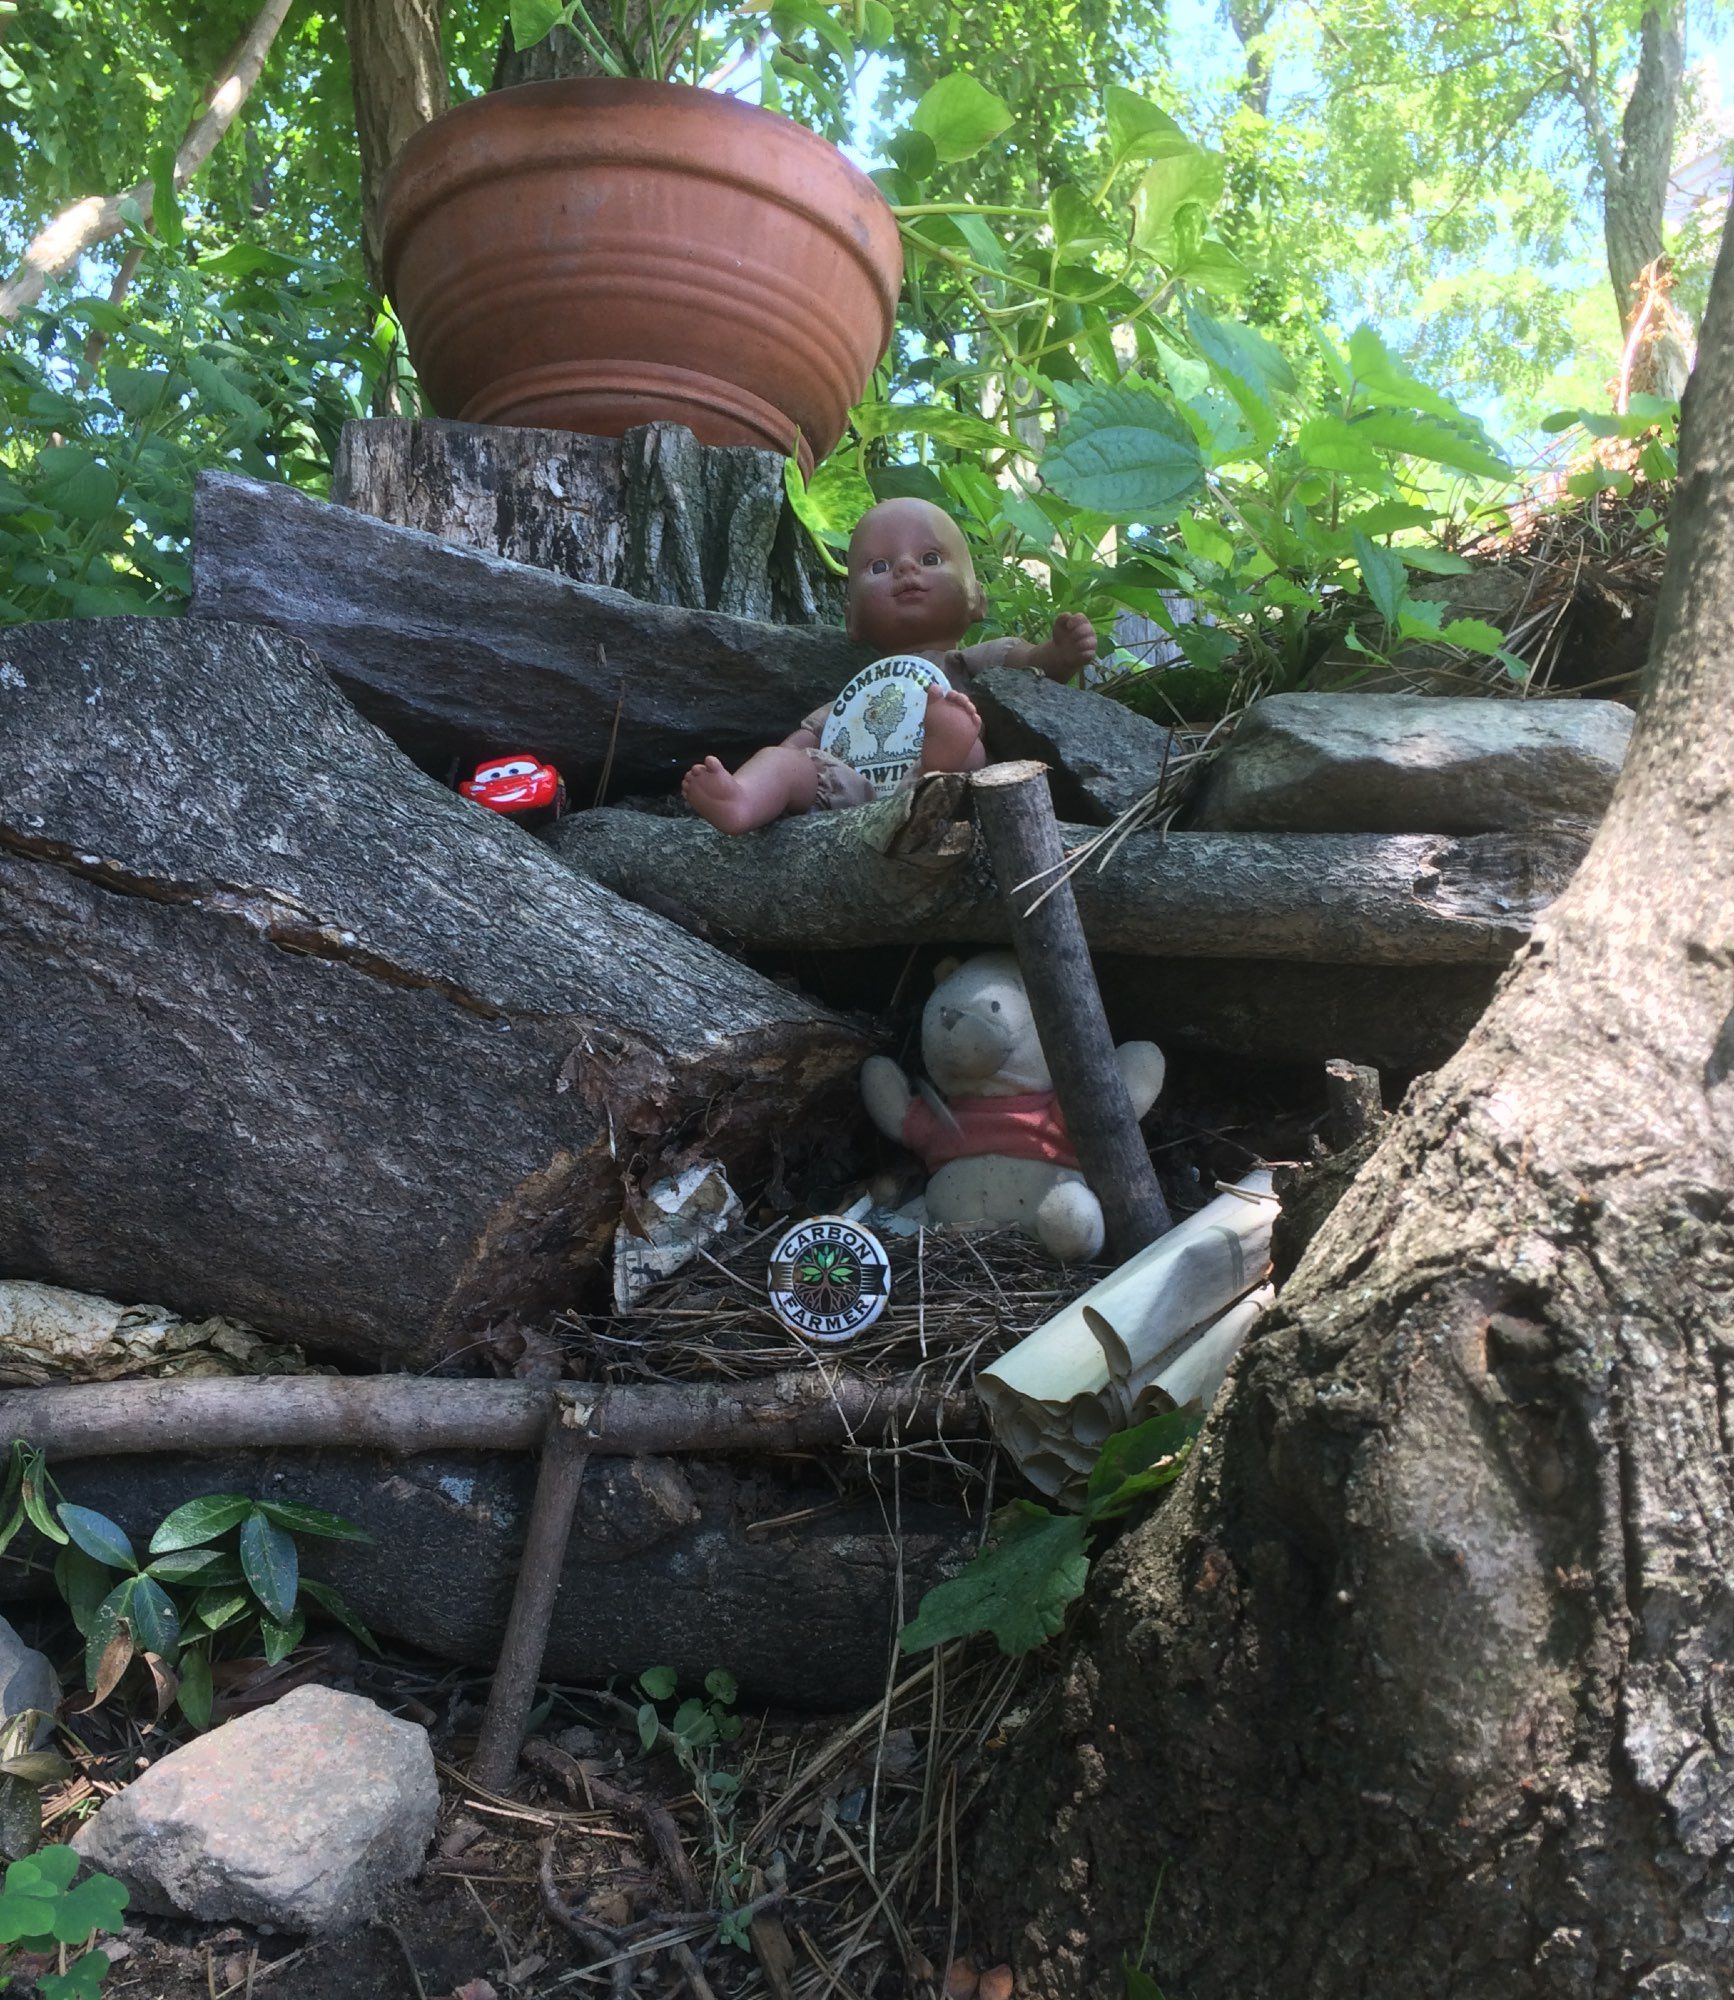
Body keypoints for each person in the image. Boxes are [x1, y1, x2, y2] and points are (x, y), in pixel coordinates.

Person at [680, 497, 1099, 834]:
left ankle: (941, 756)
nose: (905, 568)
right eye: (879, 567)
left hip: (941, 783)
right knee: (785, 760)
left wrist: (1057, 655)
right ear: (852, 619)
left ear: (977, 598)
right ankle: (742, 798)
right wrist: (782, 758)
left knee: (963, 735)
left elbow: (1027, 668)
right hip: (855, 789)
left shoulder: (967, 663)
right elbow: (810, 737)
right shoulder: (859, 696)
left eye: (931, 558)